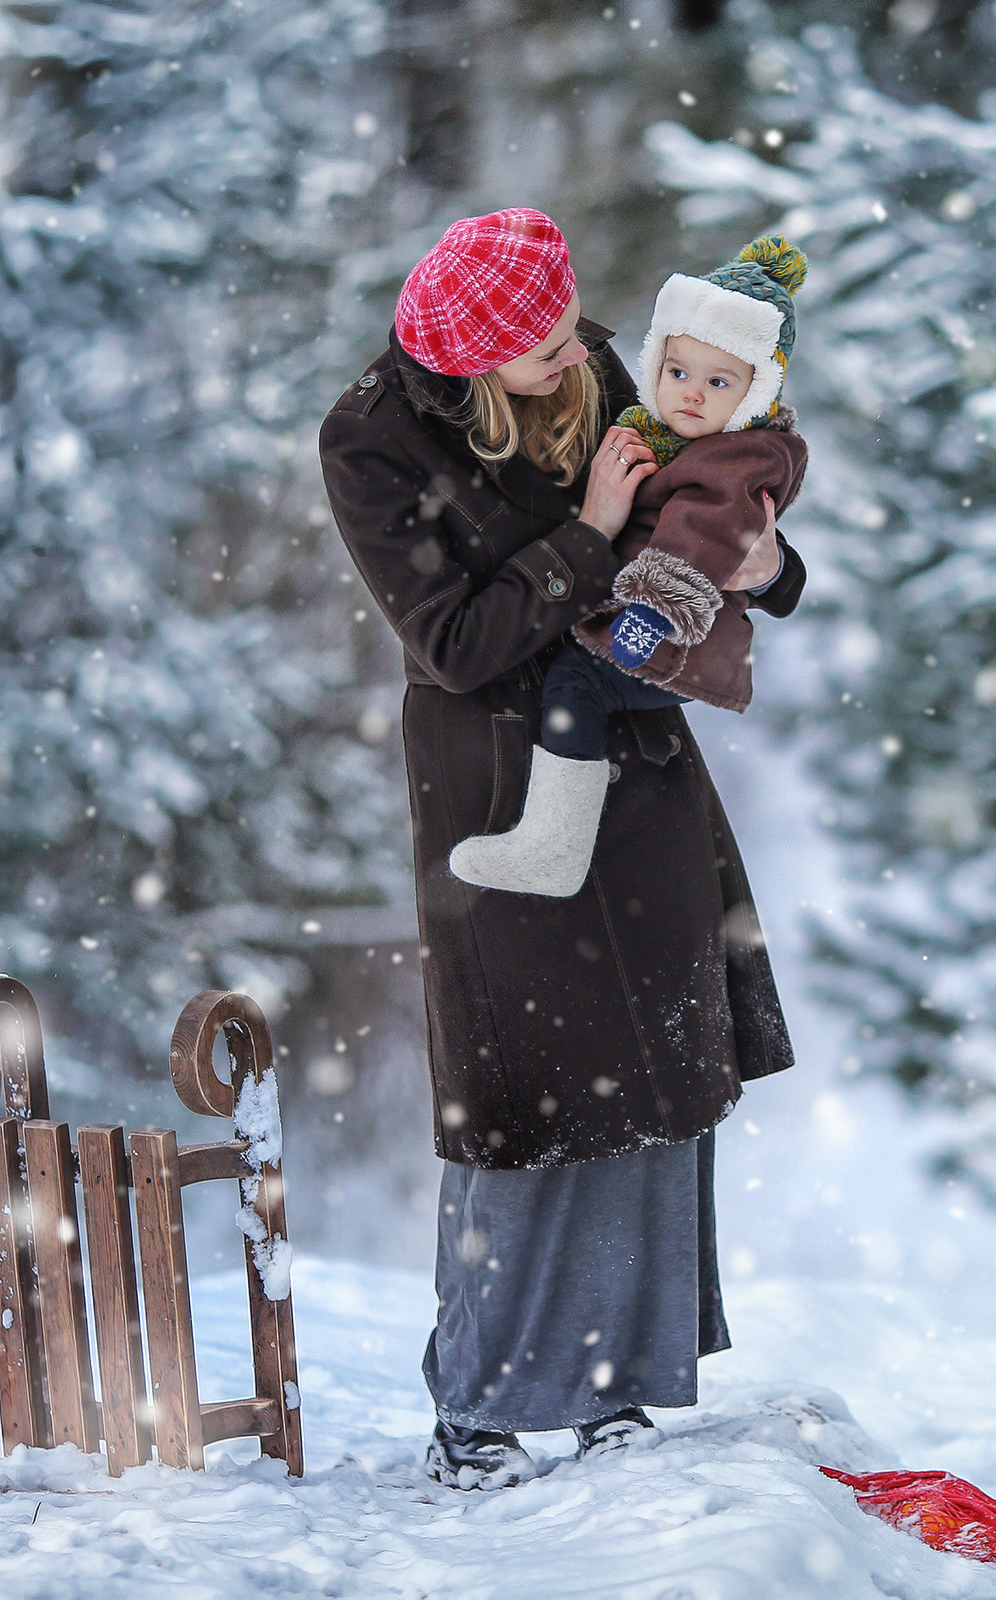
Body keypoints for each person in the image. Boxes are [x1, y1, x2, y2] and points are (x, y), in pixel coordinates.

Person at [318, 208, 802, 1490]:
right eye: (534, 348)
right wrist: (587, 529)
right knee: (521, 1102)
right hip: (502, 792)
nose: (572, 354)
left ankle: (616, 1386)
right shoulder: (371, 440)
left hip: (636, 776)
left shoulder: (584, 358)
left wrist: (770, 563)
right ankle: (478, 1404)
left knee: (652, 1090)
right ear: (469, 355)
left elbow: (700, 495)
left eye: (572, 329)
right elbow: (456, 643)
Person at [448, 235, 810, 898]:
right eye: (679, 373)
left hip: (675, 635)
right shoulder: (664, 428)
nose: (693, 395)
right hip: (659, 634)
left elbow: (700, 538)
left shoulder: (732, 459)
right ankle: (566, 814)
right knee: (576, 695)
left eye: (719, 382)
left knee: (576, 691)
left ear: (756, 392)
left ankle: (553, 847)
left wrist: (654, 609)